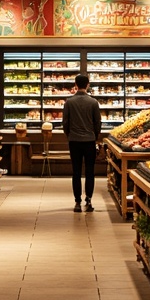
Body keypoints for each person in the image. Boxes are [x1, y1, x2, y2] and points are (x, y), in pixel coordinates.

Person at [61, 72, 101, 212]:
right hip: (89, 140)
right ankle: (89, 200)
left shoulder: (69, 102)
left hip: (74, 141)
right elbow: (98, 123)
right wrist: (94, 136)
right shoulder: (93, 102)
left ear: (76, 85)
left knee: (76, 172)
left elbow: (65, 123)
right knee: (90, 172)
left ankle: (77, 202)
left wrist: (70, 135)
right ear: (88, 85)